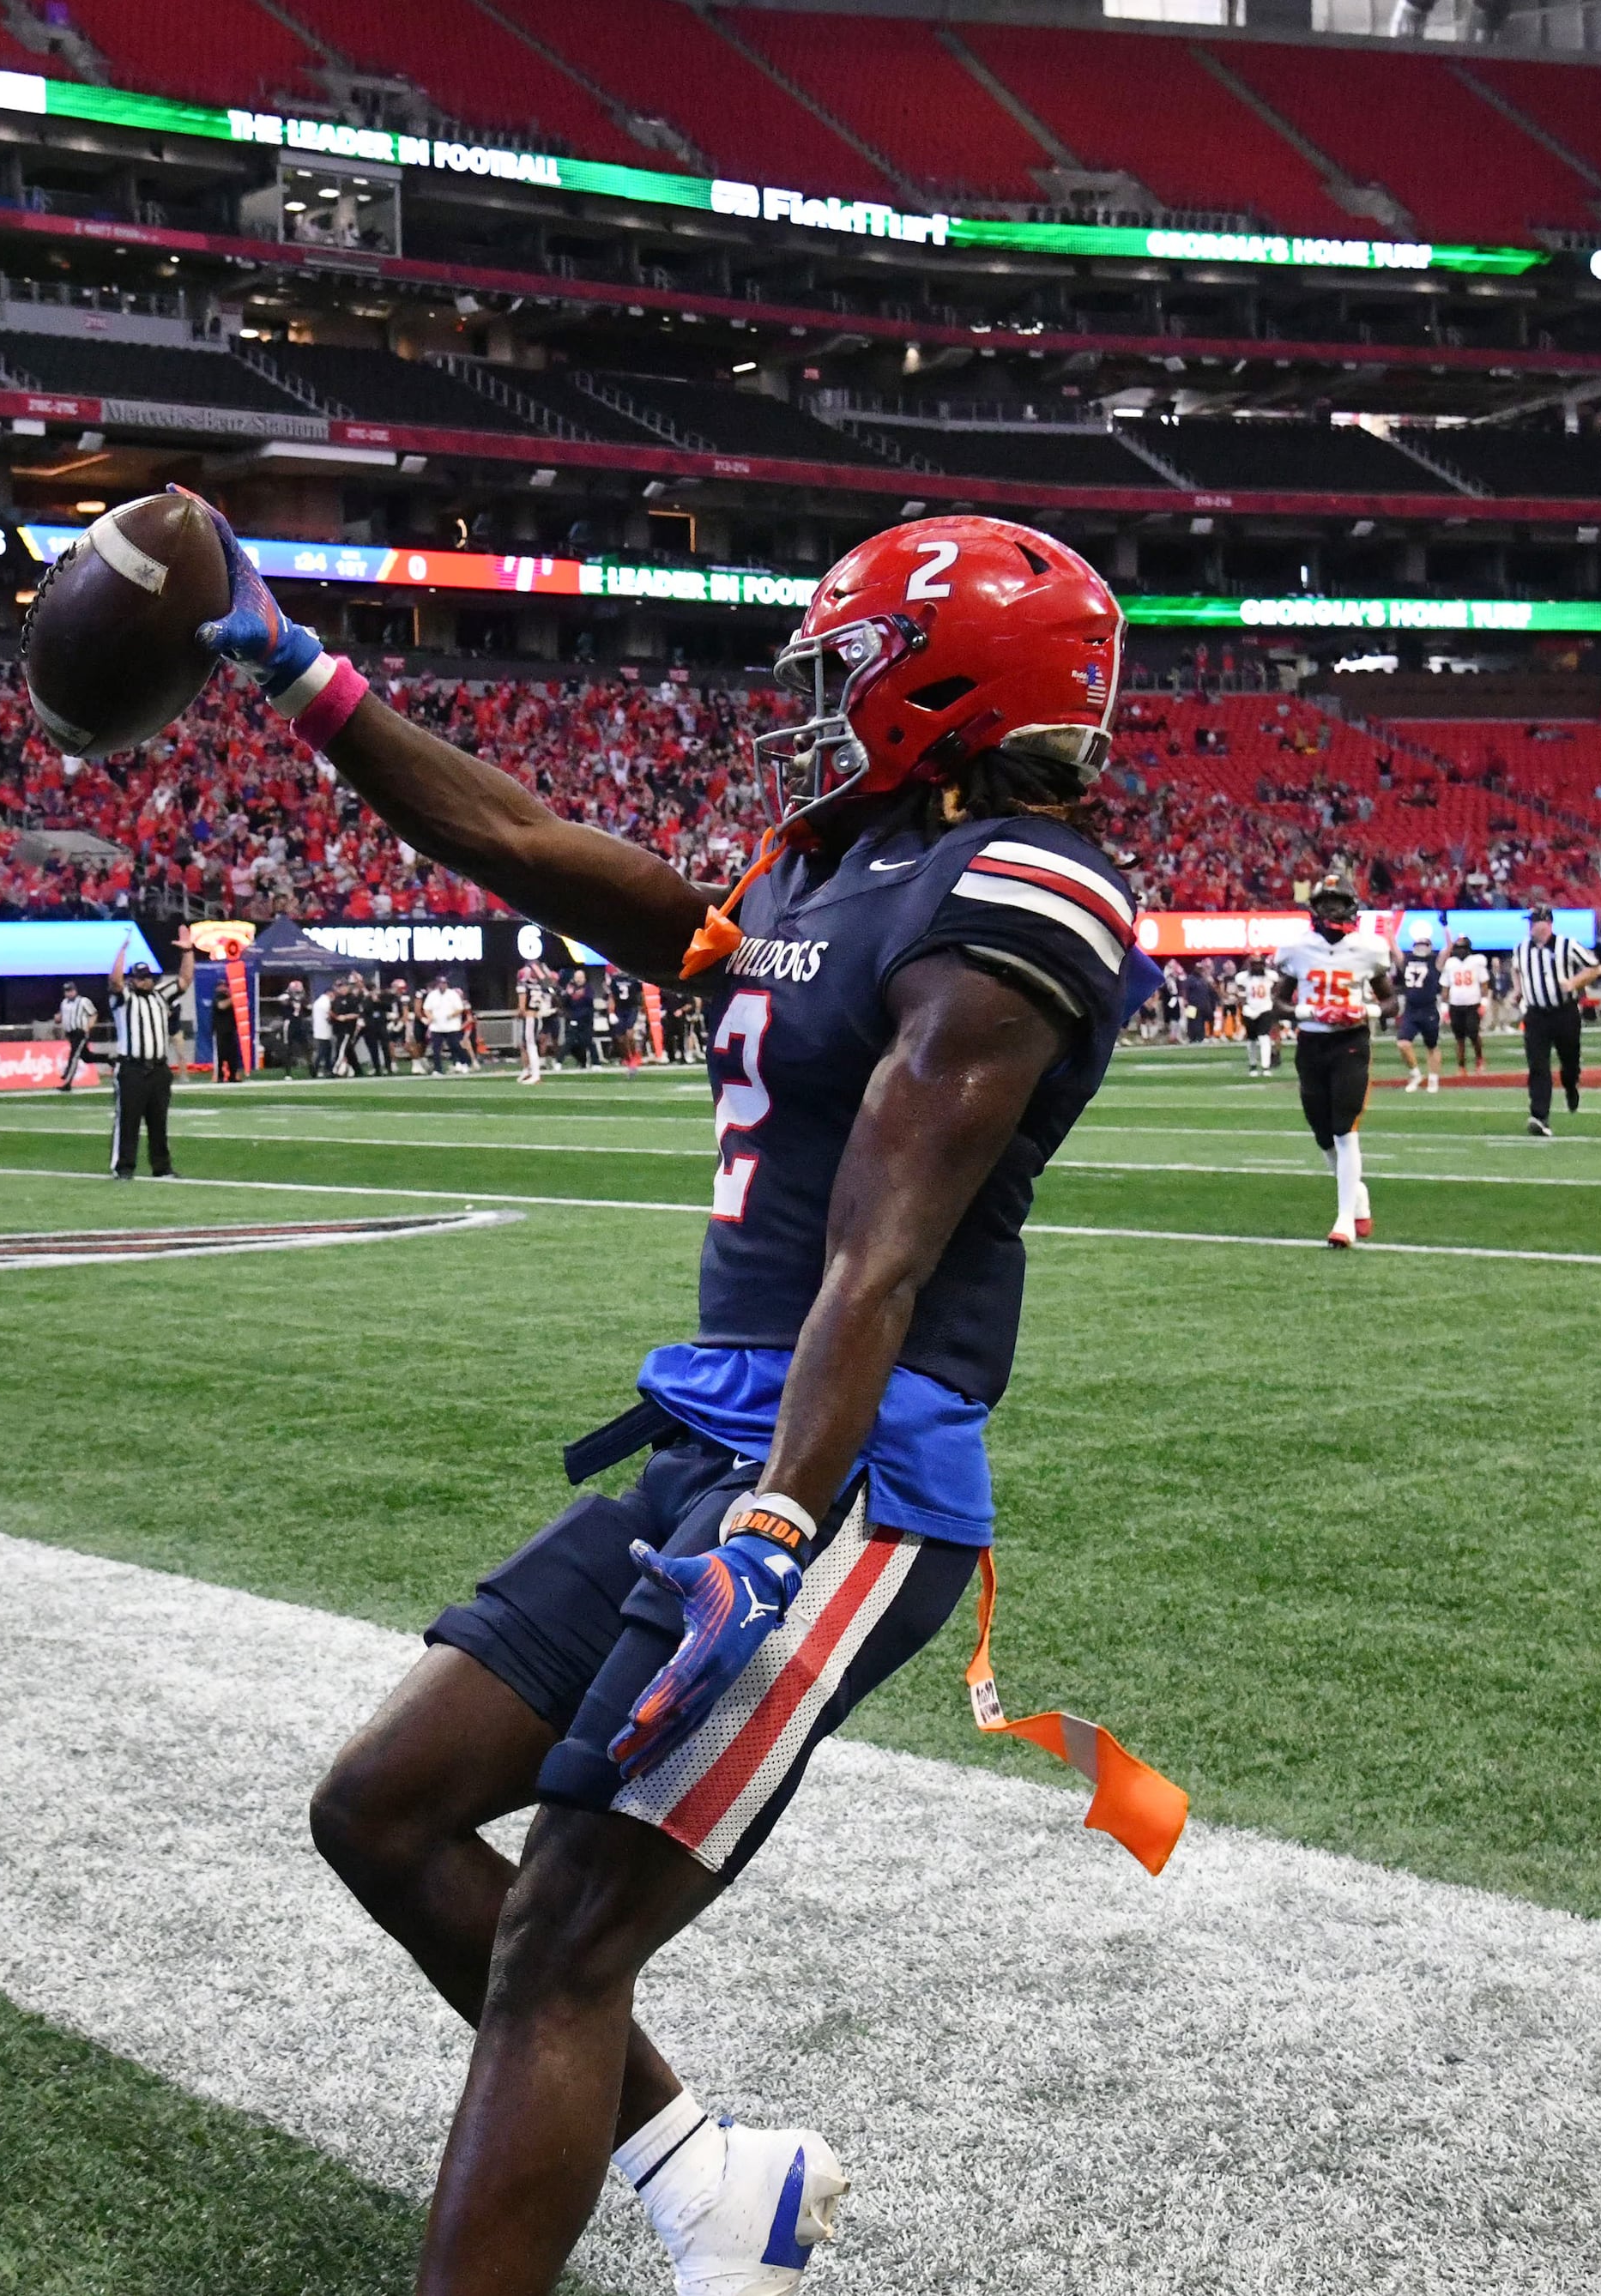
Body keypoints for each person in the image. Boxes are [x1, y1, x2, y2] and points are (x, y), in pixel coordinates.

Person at [202, 512, 1173, 2296]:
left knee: (562, 1941)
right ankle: (707, 2178)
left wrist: (778, 1521)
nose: (811, 704)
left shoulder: (1024, 885)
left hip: (849, 1482)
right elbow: (527, 842)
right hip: (709, 1446)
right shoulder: (831, 872)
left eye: (843, 669)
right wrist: (289, 664)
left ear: (947, 688)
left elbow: (879, 1251)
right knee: (386, 1810)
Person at [1271, 873, 1393, 1246]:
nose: (1332, 911)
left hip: (1350, 1044)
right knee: (1322, 1132)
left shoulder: (1369, 949)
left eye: (1338, 903)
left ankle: (1343, 1221)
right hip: (1312, 1044)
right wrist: (1310, 1012)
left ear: (1351, 907)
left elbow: (1391, 1001)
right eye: (1325, 904)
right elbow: (1278, 1002)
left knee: (1344, 1128)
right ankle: (1357, 1196)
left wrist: (1363, 1012)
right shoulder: (1297, 948)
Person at [1510, 903, 1598, 1138]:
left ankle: (1571, 1086)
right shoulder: (1521, 949)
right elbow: (1516, 969)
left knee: (1569, 1062)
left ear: (1547, 924)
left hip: (1564, 1012)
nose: (1530, 926)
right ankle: (1540, 1116)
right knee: (1537, 1066)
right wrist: (1518, 991)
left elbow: (1595, 968)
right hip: (1536, 1014)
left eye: (1534, 921)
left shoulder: (1566, 945)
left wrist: (1574, 983)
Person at [107, 937, 191, 1176]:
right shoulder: (124, 999)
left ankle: (162, 1167)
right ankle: (123, 1167)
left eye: (148, 977)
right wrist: (121, 950)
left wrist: (188, 952)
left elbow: (185, 980)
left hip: (158, 1069)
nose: (145, 982)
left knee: (159, 1123)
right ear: (132, 980)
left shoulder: (160, 995)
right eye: (140, 978)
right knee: (128, 1121)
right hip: (132, 1068)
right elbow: (114, 981)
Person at [1392, 921, 1444, 1093]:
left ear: (1430, 946)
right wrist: (1389, 930)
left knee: (1432, 1045)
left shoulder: (1434, 961)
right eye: (1419, 943)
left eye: (1425, 944)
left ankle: (1433, 1079)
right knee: (1403, 1043)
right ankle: (1415, 1073)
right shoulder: (1407, 960)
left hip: (1428, 1008)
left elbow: (1448, 949)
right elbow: (1394, 949)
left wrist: (1446, 928)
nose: (1422, 947)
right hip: (1411, 1009)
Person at [1441, 932, 1489, 1076]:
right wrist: (1444, 1007)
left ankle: (1479, 1059)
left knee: (1474, 1033)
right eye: (1457, 947)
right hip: (1455, 1004)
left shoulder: (1477, 962)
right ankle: (1461, 1066)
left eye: (1462, 947)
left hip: (1472, 1004)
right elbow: (1445, 986)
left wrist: (1484, 1003)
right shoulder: (1450, 963)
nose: (1459, 950)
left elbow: (1484, 984)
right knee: (1459, 1037)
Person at [1236, 950, 1283, 1078]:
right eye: (1255, 964)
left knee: (1264, 1037)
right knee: (1251, 1039)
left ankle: (1265, 1066)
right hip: (1249, 1009)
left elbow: (1278, 987)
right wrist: (1245, 1005)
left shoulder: (1270, 976)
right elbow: (1240, 993)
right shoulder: (1243, 977)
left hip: (1265, 1008)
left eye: (1260, 964)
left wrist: (1273, 998)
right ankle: (1252, 1065)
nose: (1258, 967)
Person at [517, 952, 557, 1083]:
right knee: (530, 1044)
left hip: (530, 1016)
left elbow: (522, 1006)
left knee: (531, 1045)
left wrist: (519, 1012)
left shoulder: (525, 983)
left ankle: (535, 1074)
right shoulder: (540, 985)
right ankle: (531, 1073)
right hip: (537, 1015)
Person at [55, 980, 100, 1091]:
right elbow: (61, 1016)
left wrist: (88, 1028)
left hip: (80, 1031)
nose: (68, 993)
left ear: (75, 991)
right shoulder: (64, 1003)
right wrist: (58, 1019)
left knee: (74, 1055)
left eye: (70, 991)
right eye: (66, 991)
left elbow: (93, 1014)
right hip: (70, 1033)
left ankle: (67, 1082)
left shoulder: (83, 1001)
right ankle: (109, 1059)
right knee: (86, 1057)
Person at [424, 974, 472, 1074]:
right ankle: (438, 1069)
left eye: (444, 983)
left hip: (451, 1026)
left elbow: (459, 1008)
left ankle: (465, 1062)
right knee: (436, 1049)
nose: (443, 985)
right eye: (441, 983)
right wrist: (430, 1017)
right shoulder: (432, 995)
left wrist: (452, 1015)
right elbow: (426, 1008)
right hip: (437, 1027)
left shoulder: (452, 994)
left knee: (456, 1046)